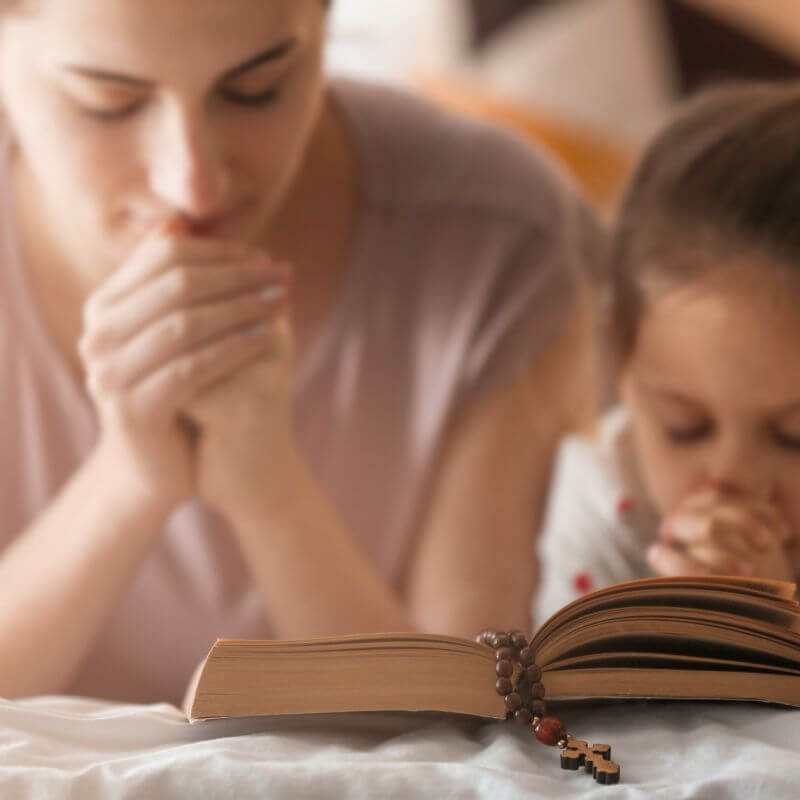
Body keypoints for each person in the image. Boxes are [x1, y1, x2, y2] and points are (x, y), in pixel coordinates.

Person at [0, 0, 599, 703]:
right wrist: (126, 484)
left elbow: (469, 731)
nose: (191, 183)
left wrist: (273, 495)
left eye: (256, 90)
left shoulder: (500, 238)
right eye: (109, 103)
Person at [534, 81, 800, 624]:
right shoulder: (602, 516)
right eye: (685, 427)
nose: (732, 476)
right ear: (621, 368)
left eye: (795, 436)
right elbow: (561, 704)